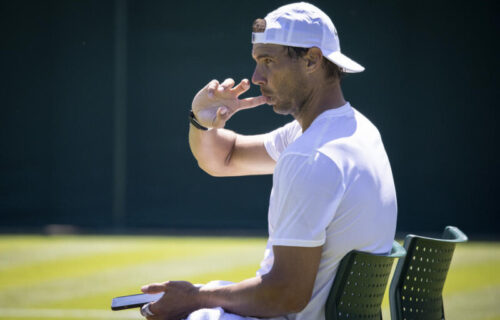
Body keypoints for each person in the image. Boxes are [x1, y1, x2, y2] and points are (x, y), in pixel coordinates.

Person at [140, 2, 397, 320]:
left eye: (268, 61)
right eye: (257, 62)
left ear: (312, 60)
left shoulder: (312, 156)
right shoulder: (356, 130)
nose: (256, 76)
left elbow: (285, 295)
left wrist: (194, 297)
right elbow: (225, 158)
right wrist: (202, 122)